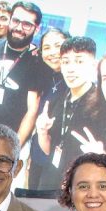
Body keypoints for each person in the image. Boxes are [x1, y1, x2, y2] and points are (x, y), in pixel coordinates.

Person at [34, 37, 106, 190]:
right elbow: (48, 150)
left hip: (77, 189)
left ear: (94, 65)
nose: (71, 69)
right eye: (66, 62)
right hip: (49, 181)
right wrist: (42, 132)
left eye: (79, 61)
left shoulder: (101, 106)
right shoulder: (59, 99)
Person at [0, 2, 44, 151]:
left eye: (27, 24)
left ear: (36, 29)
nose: (19, 28)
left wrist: (14, 147)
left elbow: (32, 111)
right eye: (16, 21)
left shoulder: (37, 61)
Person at [27, 28, 69, 188]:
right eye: (47, 47)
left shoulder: (73, 79)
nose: (52, 52)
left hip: (57, 162)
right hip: (38, 153)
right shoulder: (46, 75)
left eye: (58, 46)